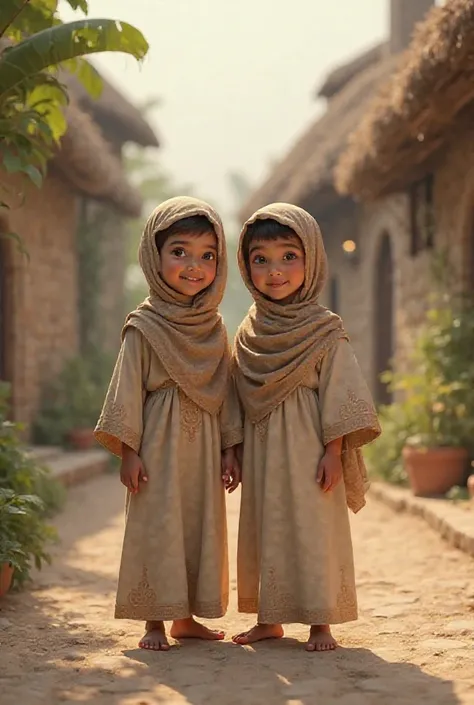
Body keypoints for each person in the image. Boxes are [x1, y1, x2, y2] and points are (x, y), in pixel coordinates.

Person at [94, 196, 242, 652]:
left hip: (202, 449)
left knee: (197, 524)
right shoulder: (144, 325)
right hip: (155, 442)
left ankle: (186, 618)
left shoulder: (214, 327)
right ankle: (154, 623)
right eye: (179, 251)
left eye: (207, 255)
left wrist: (230, 447)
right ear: (154, 256)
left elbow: (226, 389)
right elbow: (127, 389)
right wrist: (129, 450)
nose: (193, 265)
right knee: (157, 522)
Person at [231, 203, 381, 652]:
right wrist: (232, 449)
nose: (275, 271)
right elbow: (237, 392)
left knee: (315, 527)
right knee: (264, 526)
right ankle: (269, 619)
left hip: (312, 451)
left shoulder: (324, 329)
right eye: (261, 260)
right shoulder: (248, 332)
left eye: (289, 257)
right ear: (246, 265)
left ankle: (321, 622)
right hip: (260, 452)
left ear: (311, 260)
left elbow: (340, 395)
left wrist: (334, 452)